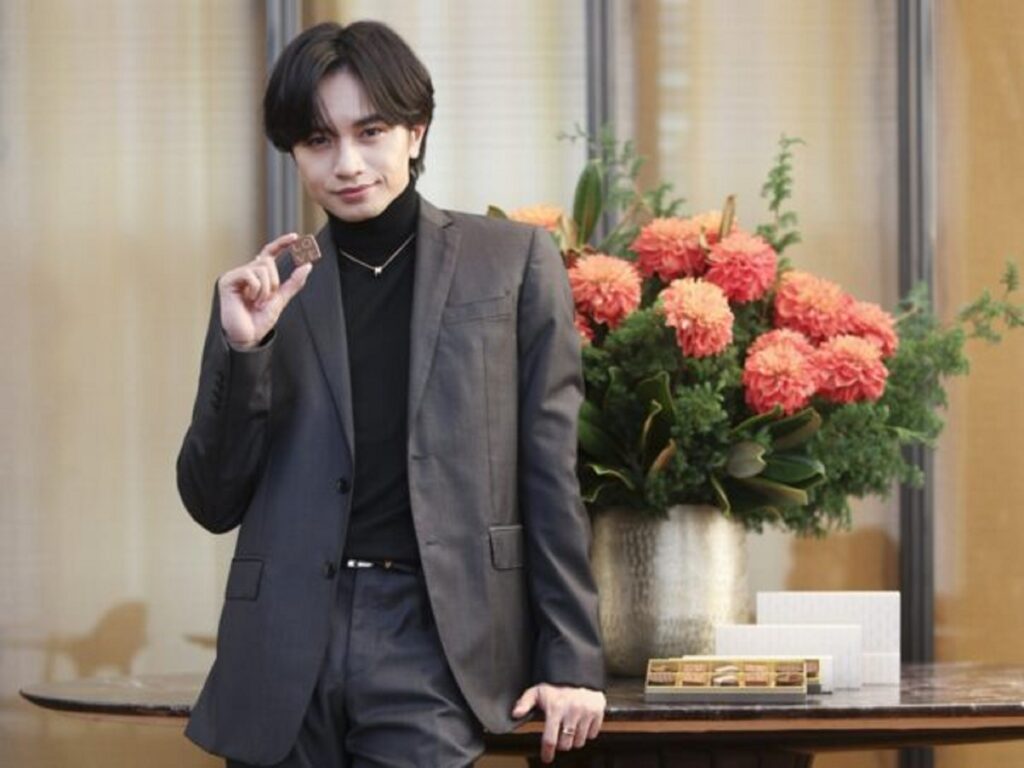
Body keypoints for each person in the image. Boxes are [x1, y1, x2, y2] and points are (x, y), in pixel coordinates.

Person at [177, 19, 606, 768]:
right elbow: (213, 501)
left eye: (369, 131)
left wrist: (571, 657)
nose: (347, 164)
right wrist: (245, 351)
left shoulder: (510, 262)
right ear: (294, 151)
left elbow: (550, 472)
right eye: (319, 140)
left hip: (435, 636)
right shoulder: (266, 292)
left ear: (416, 131)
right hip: (282, 643)